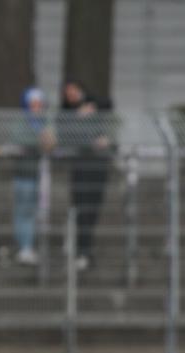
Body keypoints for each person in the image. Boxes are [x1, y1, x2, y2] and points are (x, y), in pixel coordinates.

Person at [60, 81, 114, 271]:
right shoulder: (66, 115)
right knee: (81, 210)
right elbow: (65, 137)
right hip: (81, 168)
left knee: (93, 209)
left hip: (97, 168)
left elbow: (108, 103)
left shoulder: (92, 105)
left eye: (74, 90)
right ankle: (80, 249)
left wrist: (90, 106)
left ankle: (85, 249)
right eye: (68, 92)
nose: (72, 95)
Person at [11, 87, 56, 265]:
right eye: (33, 104)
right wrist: (40, 139)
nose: (37, 107)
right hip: (24, 175)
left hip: (41, 176)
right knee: (24, 211)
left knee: (38, 212)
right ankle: (24, 246)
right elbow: (20, 141)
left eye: (39, 104)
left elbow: (52, 142)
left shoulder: (46, 123)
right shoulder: (21, 123)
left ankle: (33, 245)